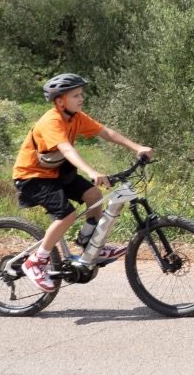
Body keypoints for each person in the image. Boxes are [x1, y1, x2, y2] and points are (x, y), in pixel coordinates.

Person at [11, 73, 152, 292]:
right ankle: (36, 261)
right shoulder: (51, 121)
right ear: (60, 101)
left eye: (81, 94)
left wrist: (137, 147)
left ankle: (89, 244)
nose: (81, 98)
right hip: (32, 177)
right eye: (75, 95)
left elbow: (106, 133)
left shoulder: (76, 117)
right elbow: (66, 149)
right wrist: (91, 171)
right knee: (66, 214)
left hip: (57, 173)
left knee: (94, 195)